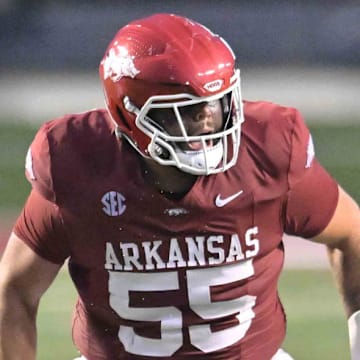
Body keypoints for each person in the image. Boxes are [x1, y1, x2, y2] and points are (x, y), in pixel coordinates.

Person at [0, 13, 359, 360]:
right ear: (129, 114)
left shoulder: (267, 153)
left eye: (215, 105)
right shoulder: (78, 166)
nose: (207, 121)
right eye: (184, 111)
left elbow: (352, 236)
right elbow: (15, 289)